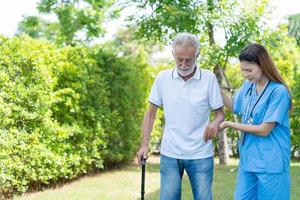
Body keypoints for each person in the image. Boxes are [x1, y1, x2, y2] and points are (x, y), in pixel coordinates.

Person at [136, 32, 224, 200]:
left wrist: (214, 123)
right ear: (173, 54)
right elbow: (150, 114)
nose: (183, 64)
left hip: (201, 154)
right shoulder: (163, 78)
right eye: (179, 59)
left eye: (188, 60)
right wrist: (144, 145)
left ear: (197, 55)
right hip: (170, 153)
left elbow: (220, 114)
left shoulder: (209, 78)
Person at [220, 43, 292, 200]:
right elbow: (234, 107)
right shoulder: (248, 86)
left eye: (249, 70)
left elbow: (264, 129)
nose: (246, 74)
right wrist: (214, 87)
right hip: (248, 160)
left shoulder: (278, 92)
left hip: (271, 162)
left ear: (263, 66)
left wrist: (228, 124)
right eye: (243, 70)